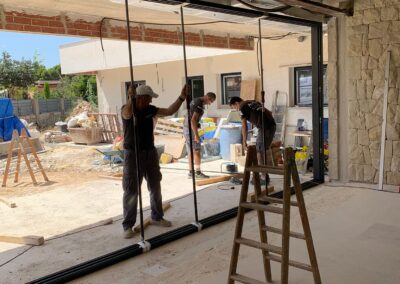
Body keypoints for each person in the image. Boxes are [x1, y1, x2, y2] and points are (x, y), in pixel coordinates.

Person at [121, 84, 189, 239]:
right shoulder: (129, 108)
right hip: (133, 154)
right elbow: (127, 114)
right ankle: (127, 226)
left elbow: (170, 111)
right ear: (141, 97)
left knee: (155, 185)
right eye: (149, 97)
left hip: (150, 152)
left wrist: (182, 97)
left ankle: (157, 216)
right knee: (132, 189)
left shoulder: (150, 109)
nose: (151, 100)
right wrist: (131, 98)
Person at [229, 96, 276, 185]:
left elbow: (244, 126)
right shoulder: (252, 102)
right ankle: (265, 175)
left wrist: (244, 141)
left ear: (236, 103)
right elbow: (269, 112)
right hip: (270, 126)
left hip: (265, 128)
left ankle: (263, 178)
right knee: (262, 151)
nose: (236, 109)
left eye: (234, 107)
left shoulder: (242, 106)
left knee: (260, 151)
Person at [183, 92, 216, 179]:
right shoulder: (199, 104)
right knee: (197, 150)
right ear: (207, 97)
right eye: (210, 101)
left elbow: (192, 117)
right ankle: (198, 172)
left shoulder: (195, 100)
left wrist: (198, 125)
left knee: (191, 151)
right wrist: (196, 135)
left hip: (187, 127)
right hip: (190, 129)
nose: (209, 104)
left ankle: (191, 172)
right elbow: (193, 120)